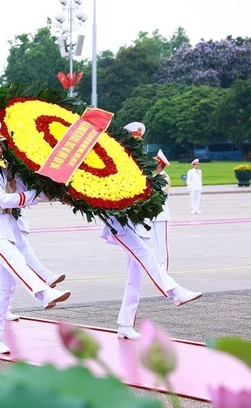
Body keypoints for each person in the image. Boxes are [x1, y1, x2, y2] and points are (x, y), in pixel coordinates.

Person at [0, 121, 71, 354]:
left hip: (6, 227)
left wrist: (57, 195)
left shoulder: (4, 170)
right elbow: (5, 200)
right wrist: (32, 194)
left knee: (4, 288)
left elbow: (25, 192)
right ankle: (44, 292)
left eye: (1, 145)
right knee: (16, 259)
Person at [100, 123, 202, 340]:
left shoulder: (136, 164)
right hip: (119, 222)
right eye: (134, 140)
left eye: (140, 140)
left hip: (134, 223)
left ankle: (125, 325)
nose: (138, 143)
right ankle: (175, 292)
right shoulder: (115, 160)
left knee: (134, 278)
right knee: (146, 255)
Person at [151, 150, 171, 271]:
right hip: (152, 214)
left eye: (155, 161)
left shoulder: (164, 178)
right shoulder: (154, 177)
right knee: (154, 243)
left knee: (162, 244)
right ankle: (156, 267)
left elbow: (157, 194)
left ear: (159, 164)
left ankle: (164, 269)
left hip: (161, 213)